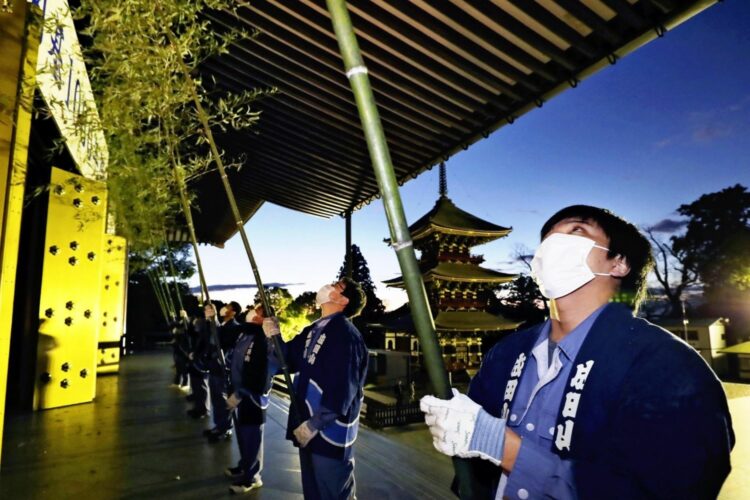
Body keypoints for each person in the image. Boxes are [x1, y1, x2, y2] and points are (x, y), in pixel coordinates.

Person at [421, 205, 734, 499]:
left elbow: (674, 486)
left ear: (619, 262)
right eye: (547, 240)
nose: (553, 245)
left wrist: (503, 447)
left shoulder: (667, 365)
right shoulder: (506, 353)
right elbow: (473, 470)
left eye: (576, 231)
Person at [263, 278, 368, 500]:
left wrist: (313, 424)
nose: (328, 285)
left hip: (329, 429)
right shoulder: (313, 330)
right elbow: (287, 360)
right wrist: (274, 336)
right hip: (305, 421)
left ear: (343, 300)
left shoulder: (346, 336)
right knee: (313, 489)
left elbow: (343, 389)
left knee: (334, 490)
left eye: (336, 286)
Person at [225, 304, 275, 494]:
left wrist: (239, 393)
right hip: (239, 392)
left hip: (252, 397)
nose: (253, 312)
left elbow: (259, 375)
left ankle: (252, 476)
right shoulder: (246, 333)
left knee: (252, 436)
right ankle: (245, 464)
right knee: (242, 434)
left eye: (258, 311)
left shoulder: (264, 339)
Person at [205, 301, 242, 441]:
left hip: (223, 370)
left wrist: (214, 321)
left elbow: (221, 342)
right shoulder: (223, 325)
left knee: (222, 400)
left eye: (228, 307)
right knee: (215, 398)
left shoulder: (235, 327)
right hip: (214, 367)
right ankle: (218, 425)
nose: (224, 309)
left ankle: (225, 428)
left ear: (233, 312)